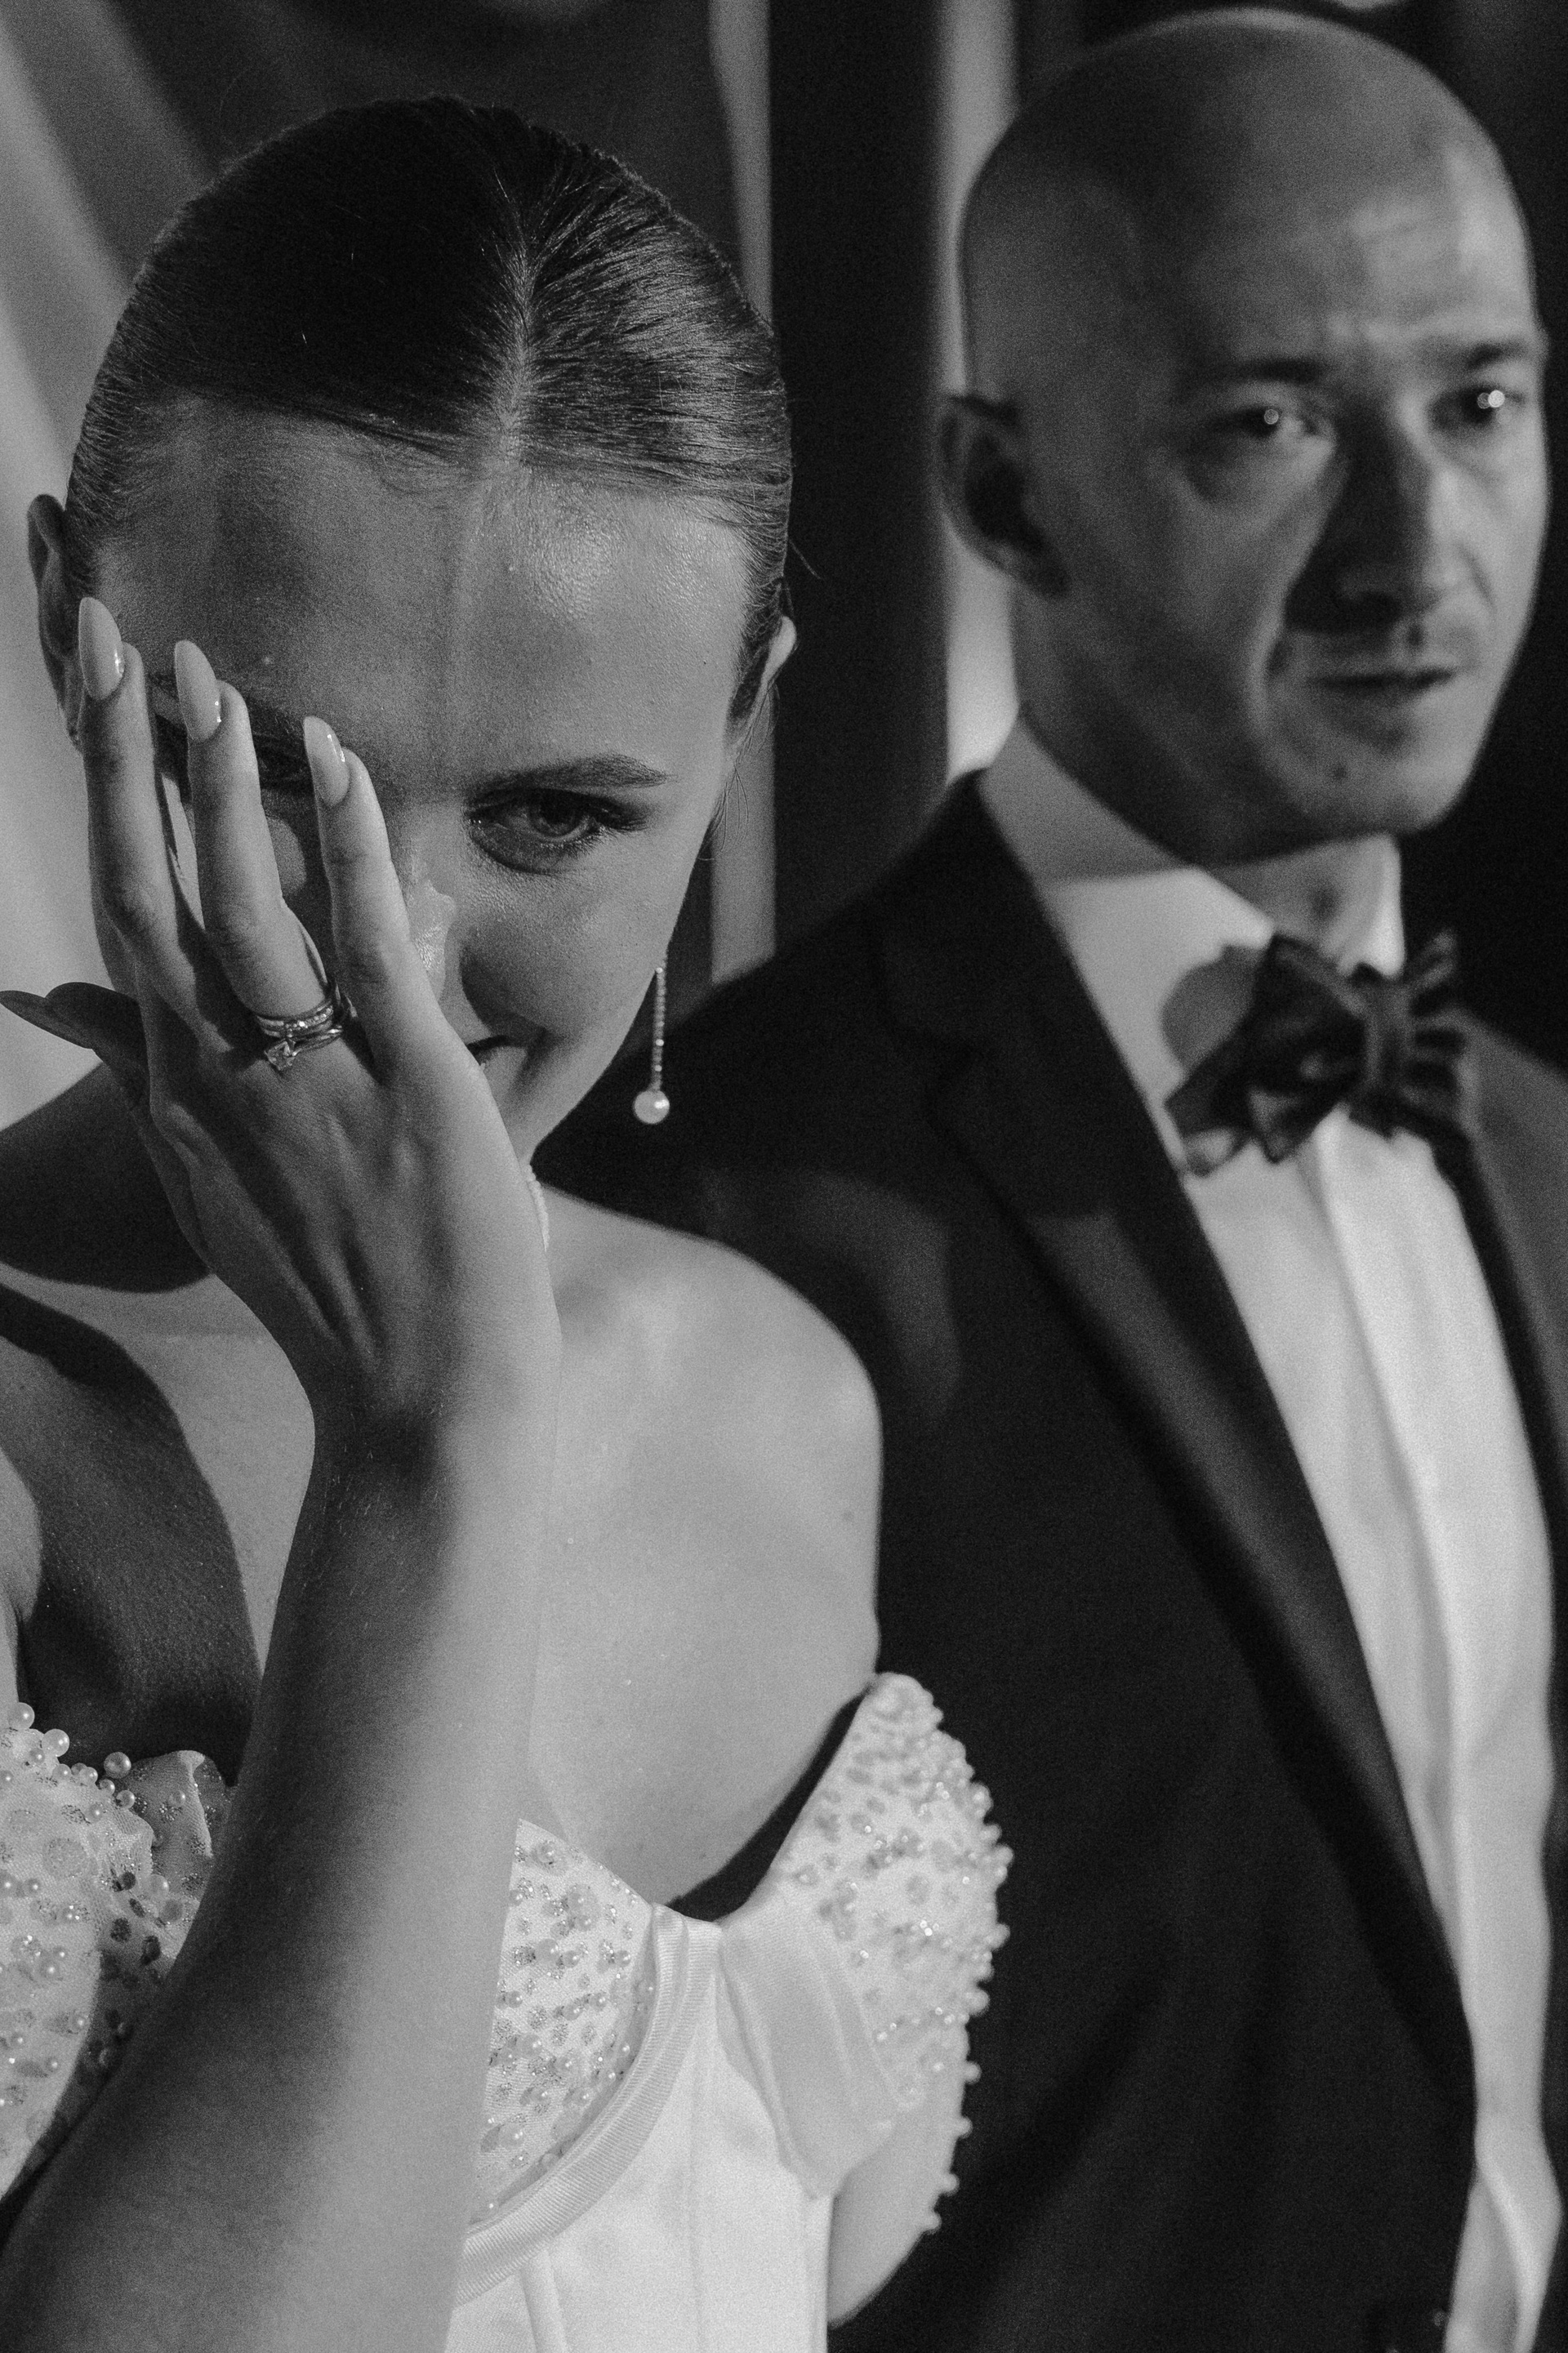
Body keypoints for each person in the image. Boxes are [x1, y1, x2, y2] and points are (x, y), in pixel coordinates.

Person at [541, 11, 1568, 2351]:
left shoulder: (1538, 1148)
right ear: (1004, 498)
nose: (1416, 549)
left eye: (1484, 403)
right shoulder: (727, 1202)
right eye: (1270, 425)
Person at [0, 98, 1006, 2353]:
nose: (403, 956)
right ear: (71, 624)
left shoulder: (784, 1385)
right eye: (285, 778)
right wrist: (430, 1437)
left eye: (555, 817)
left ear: (739, 730)